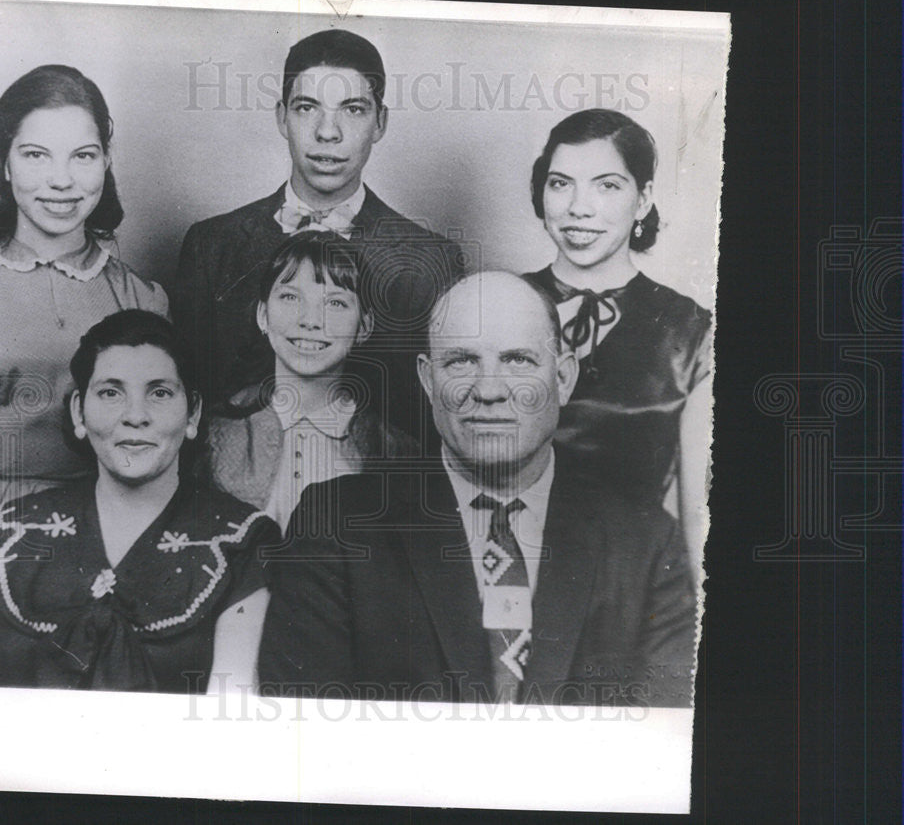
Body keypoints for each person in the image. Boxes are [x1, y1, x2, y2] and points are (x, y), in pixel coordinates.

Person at [258, 272, 697, 707]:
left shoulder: (647, 543)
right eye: (461, 361)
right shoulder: (335, 528)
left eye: (518, 361)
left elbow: (658, 745)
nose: (489, 390)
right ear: (428, 381)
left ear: (563, 379)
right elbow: (310, 741)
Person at [0, 310, 278, 692]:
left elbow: (230, 709)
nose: (135, 416)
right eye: (111, 393)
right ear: (79, 412)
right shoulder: (14, 531)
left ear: (193, 412)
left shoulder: (240, 542)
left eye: (160, 392)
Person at [0, 65, 169, 626]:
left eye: (83, 156)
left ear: (106, 163)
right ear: (4, 163)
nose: (61, 181)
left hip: (92, 525)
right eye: (37, 155)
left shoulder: (142, 298)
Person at [171, 28, 466, 442]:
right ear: (281, 117)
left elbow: (433, 423)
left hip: (375, 496)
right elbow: (186, 401)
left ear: (380, 122)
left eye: (353, 110)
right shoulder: (212, 245)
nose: (328, 132)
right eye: (307, 107)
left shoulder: (431, 259)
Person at [523, 108, 712, 571]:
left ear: (643, 199)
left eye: (607, 185)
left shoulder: (690, 330)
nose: (578, 208)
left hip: (629, 589)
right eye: (560, 182)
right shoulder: (500, 302)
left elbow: (697, 515)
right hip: (506, 575)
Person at [201, 231, 417, 533]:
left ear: (364, 326)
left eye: (336, 304)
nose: (310, 320)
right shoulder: (212, 433)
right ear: (263, 315)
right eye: (290, 297)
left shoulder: (396, 452)